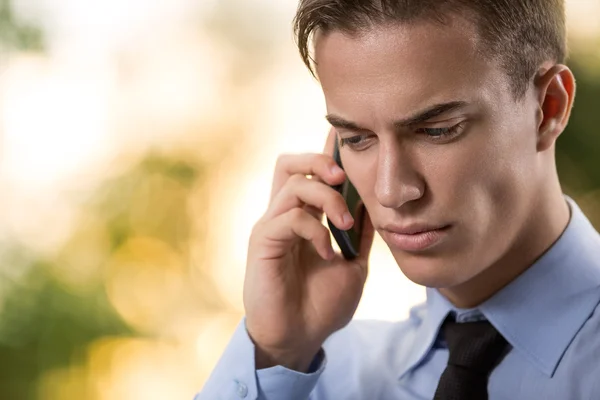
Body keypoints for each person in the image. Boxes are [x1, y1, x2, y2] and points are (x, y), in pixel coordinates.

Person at [197, 0, 600, 399]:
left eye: (438, 130)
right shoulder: (314, 377)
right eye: (356, 139)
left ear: (548, 108)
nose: (391, 192)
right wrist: (277, 350)